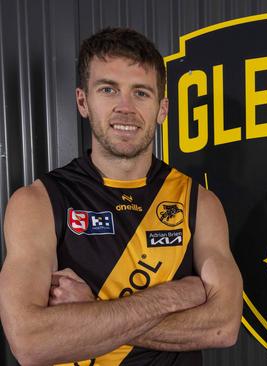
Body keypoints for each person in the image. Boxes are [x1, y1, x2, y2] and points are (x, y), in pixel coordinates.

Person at [0, 28, 243, 365]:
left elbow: (223, 327)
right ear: (83, 101)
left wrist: (91, 311)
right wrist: (171, 297)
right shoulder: (37, 202)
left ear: (162, 109)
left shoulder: (200, 203)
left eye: (141, 93)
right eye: (108, 90)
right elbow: (30, 342)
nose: (125, 108)